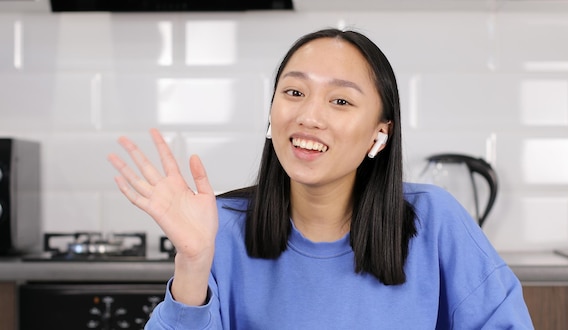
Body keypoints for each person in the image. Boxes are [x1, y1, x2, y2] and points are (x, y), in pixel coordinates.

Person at [108, 28, 534, 329]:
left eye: (341, 100)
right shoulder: (219, 226)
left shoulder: (434, 220)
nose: (309, 116)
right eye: (294, 92)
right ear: (272, 113)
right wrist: (193, 264)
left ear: (380, 132)